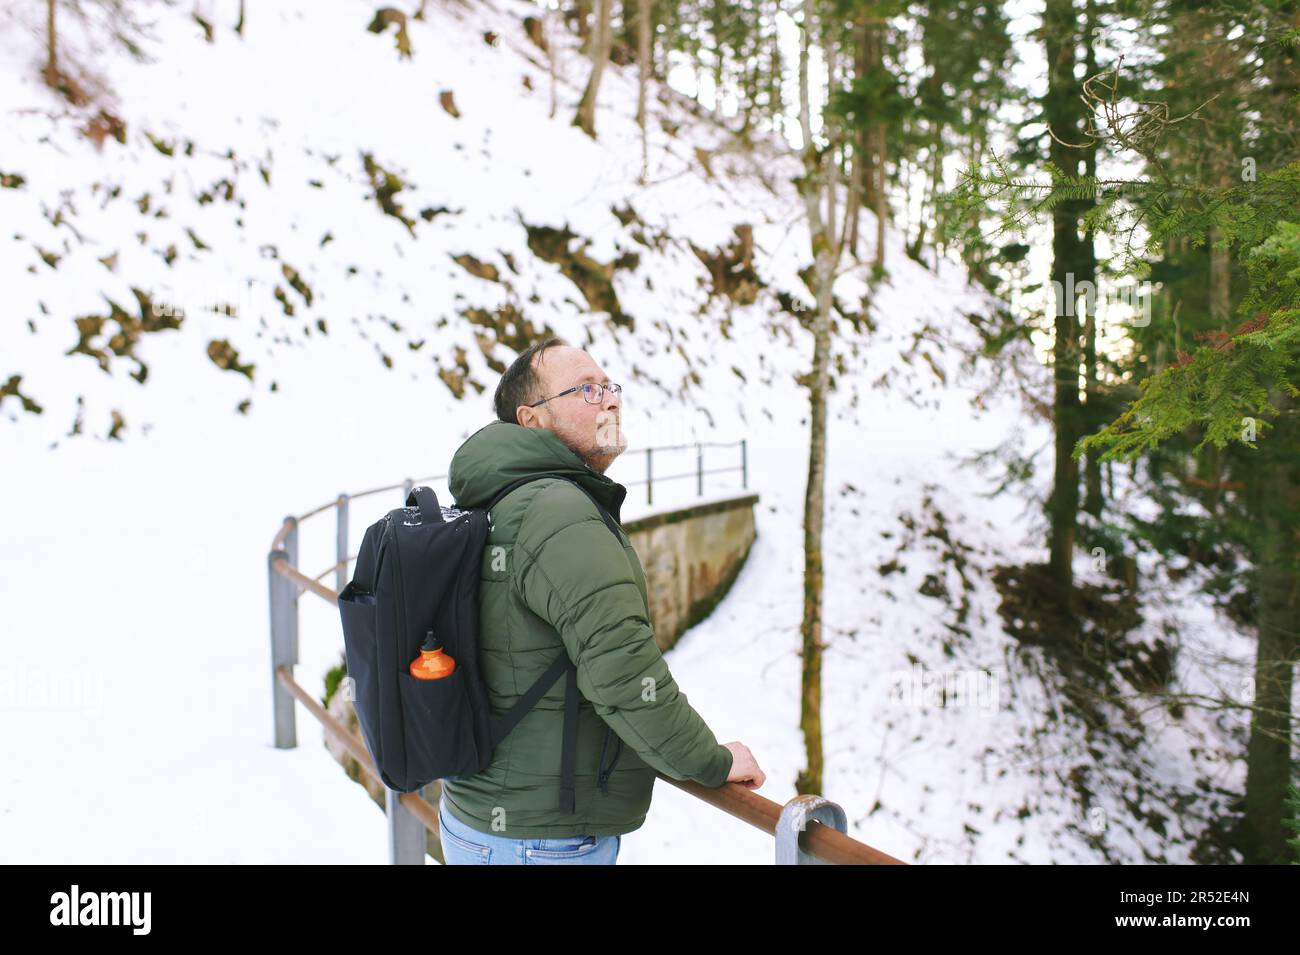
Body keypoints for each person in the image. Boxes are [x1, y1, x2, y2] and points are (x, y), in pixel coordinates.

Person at [437, 337, 765, 864]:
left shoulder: (498, 499)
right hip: (541, 842)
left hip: (478, 820)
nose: (610, 400)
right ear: (532, 419)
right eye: (586, 390)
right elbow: (625, 675)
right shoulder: (558, 512)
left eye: (610, 386)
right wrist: (710, 763)